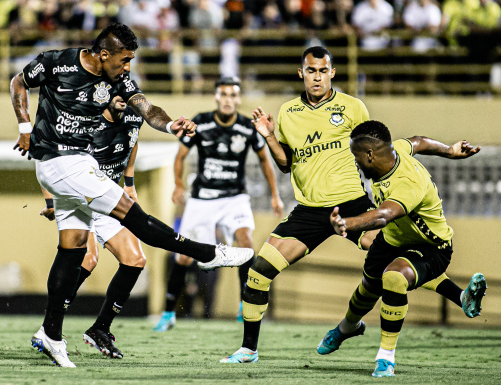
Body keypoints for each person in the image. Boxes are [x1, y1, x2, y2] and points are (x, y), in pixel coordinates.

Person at [10, 22, 254, 368]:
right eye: (124, 60)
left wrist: (171, 126)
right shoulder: (56, 62)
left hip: (77, 164)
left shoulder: (118, 81)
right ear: (104, 54)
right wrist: (24, 126)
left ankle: (50, 334)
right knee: (135, 218)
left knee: (74, 248)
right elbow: (18, 82)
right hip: (59, 162)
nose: (128, 68)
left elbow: (148, 109)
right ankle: (207, 253)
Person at [220, 46, 478, 364]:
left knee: (392, 261)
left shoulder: (353, 107)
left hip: (353, 204)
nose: (317, 77)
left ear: (332, 73)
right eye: (311, 71)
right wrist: (270, 136)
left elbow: (380, 148)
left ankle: (460, 296)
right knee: (259, 272)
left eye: (322, 70)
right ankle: (248, 349)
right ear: (301, 73)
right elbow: (286, 164)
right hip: (308, 211)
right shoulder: (288, 112)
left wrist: (440, 156)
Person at [317, 120, 487, 378]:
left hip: (432, 246)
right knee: (368, 288)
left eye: (356, 157)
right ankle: (347, 327)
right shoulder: (395, 150)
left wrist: (345, 223)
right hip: (393, 240)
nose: (356, 163)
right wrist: (449, 151)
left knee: (395, 277)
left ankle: (386, 358)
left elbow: (384, 215)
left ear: (370, 154)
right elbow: (419, 141)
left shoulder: (407, 182)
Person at [153, 76, 284, 332]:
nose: (228, 100)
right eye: (223, 95)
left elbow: (265, 162)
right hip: (202, 199)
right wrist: (179, 184)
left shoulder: (248, 126)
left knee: (245, 242)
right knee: (182, 257)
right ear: (216, 97)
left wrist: (275, 195)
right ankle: (168, 312)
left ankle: (244, 304)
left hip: (234, 198)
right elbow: (180, 156)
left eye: (233, 95)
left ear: (238, 99)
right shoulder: (200, 122)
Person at [39, 95, 144, 359]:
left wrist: (128, 181)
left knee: (135, 260)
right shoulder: (84, 116)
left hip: (109, 197)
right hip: (81, 197)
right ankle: (50, 327)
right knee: (88, 259)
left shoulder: (134, 114)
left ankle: (100, 329)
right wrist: (51, 200)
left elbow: (132, 142)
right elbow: (47, 155)